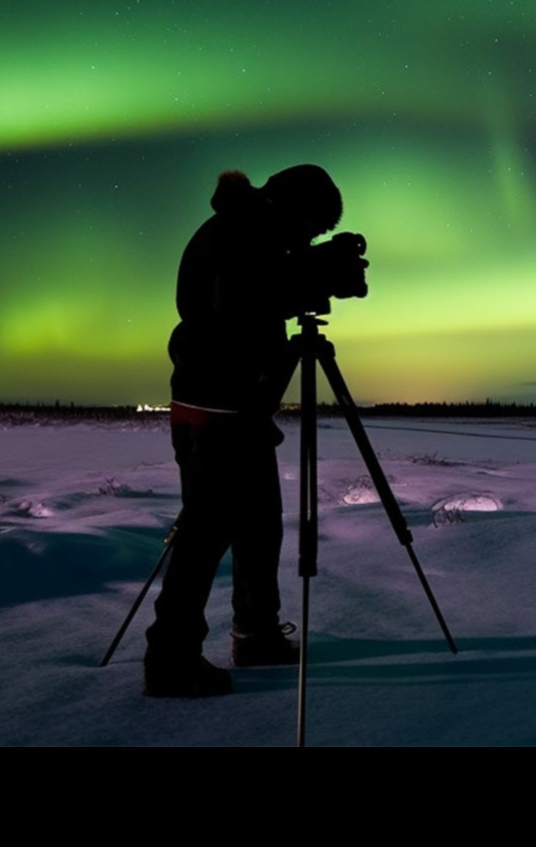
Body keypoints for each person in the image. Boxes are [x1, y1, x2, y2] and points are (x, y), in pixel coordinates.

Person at [143, 164, 343, 698]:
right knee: (205, 534)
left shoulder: (249, 229)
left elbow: (256, 290)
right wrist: (309, 277)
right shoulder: (241, 232)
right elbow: (239, 304)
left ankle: (256, 635)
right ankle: (170, 658)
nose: (309, 239)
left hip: (234, 410)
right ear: (296, 210)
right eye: (313, 228)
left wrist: (304, 272)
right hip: (217, 414)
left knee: (258, 525)